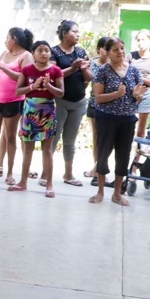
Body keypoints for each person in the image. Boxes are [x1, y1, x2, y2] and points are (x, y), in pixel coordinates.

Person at [89, 37, 148, 206]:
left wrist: (138, 95)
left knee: (123, 155)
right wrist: (116, 94)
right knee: (103, 154)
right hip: (106, 118)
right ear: (107, 53)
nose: (120, 52)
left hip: (127, 119)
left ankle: (117, 193)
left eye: (122, 48)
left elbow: (139, 95)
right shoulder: (103, 71)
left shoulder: (134, 71)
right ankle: (100, 191)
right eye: (115, 50)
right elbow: (98, 98)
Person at [8, 40, 64, 196]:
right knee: (28, 149)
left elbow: (61, 93)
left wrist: (48, 86)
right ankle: (23, 182)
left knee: (47, 150)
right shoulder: (27, 70)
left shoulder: (56, 70)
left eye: (47, 50)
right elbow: (18, 91)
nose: (44, 53)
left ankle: (49, 184)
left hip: (48, 112)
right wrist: (33, 86)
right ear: (33, 53)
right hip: (30, 111)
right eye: (40, 50)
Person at [0, 27, 33, 185]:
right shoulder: (4, 53)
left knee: (10, 137)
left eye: (7, 38)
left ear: (14, 39)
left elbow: (24, 78)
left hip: (14, 101)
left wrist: (4, 69)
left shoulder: (26, 56)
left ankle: (9, 173)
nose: (5, 41)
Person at [50, 20, 92, 186]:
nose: (78, 34)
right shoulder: (54, 52)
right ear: (64, 33)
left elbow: (89, 77)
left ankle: (68, 174)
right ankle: (46, 174)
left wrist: (84, 68)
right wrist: (72, 69)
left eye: (78, 31)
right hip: (59, 101)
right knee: (53, 138)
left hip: (78, 101)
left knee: (70, 141)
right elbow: (52, 75)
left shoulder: (81, 52)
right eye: (74, 31)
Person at [84, 37, 111, 178]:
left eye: (109, 49)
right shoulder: (91, 64)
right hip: (94, 104)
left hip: (111, 106)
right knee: (96, 137)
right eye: (104, 48)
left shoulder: (115, 65)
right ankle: (97, 167)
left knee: (107, 138)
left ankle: (100, 168)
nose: (107, 51)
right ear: (98, 49)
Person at [131, 29, 150, 138]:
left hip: (146, 93)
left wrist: (140, 78)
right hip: (130, 92)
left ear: (149, 41)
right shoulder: (130, 56)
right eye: (138, 40)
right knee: (127, 125)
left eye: (143, 40)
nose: (140, 42)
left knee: (141, 130)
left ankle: (139, 149)